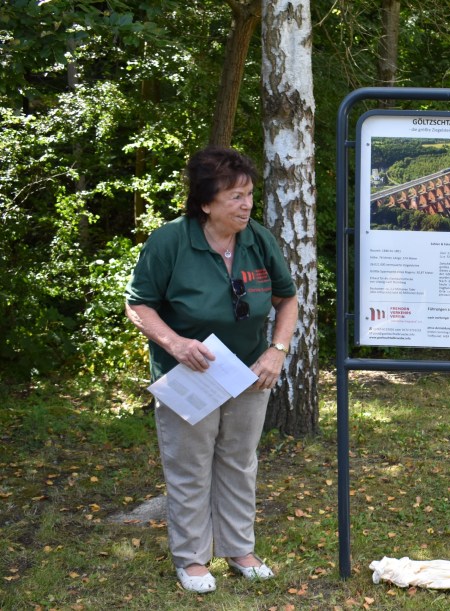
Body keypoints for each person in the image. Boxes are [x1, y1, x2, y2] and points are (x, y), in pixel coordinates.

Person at [125, 146, 298, 593]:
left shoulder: (258, 238)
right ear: (206, 202)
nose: (246, 205)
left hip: (249, 372)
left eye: (249, 195)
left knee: (240, 462)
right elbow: (138, 303)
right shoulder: (169, 241)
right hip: (190, 375)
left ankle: (239, 548)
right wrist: (175, 343)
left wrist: (277, 350)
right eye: (235, 197)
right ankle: (192, 558)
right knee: (189, 465)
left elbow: (287, 298)